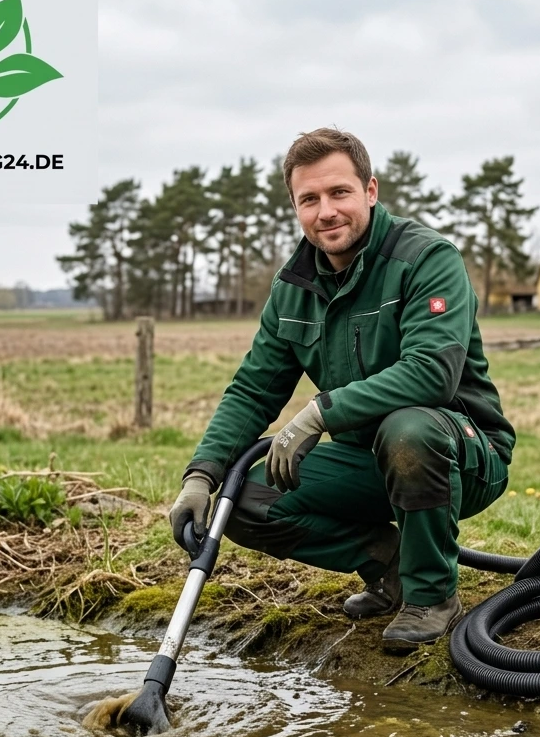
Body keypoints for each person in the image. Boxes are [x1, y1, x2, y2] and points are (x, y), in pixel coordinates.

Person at [169, 128, 515, 647]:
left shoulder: (427, 259)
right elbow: (253, 389)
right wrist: (202, 473)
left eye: (339, 193)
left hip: (461, 452)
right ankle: (390, 562)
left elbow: (431, 373)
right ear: (295, 207)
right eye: (309, 199)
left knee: (408, 430)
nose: (326, 211)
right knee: (239, 499)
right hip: (368, 464)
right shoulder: (294, 288)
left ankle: (431, 596)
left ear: (370, 191)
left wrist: (318, 414)